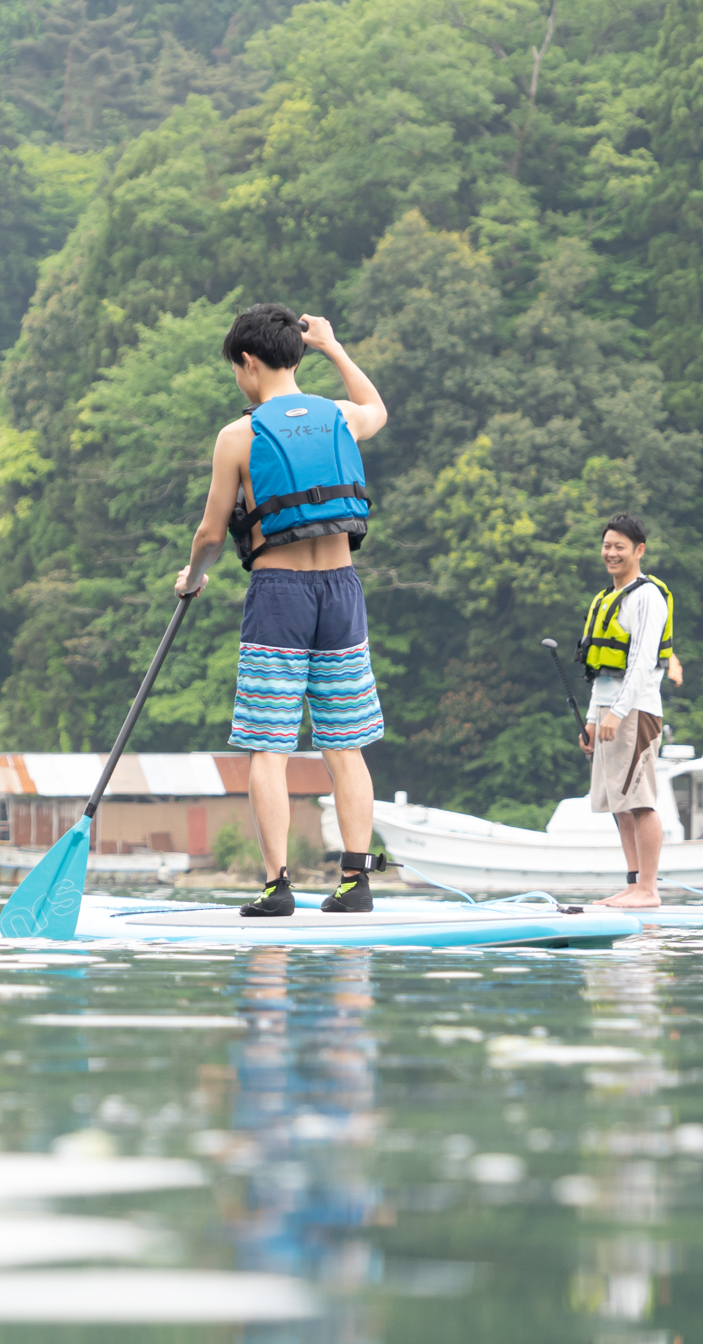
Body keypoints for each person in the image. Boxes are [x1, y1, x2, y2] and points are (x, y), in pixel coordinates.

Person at [174, 304, 390, 917]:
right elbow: (377, 409)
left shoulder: (238, 435)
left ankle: (277, 886)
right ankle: (356, 882)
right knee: (345, 746)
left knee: (269, 747)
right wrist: (335, 347)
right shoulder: (341, 417)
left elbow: (211, 533)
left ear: (247, 362)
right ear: (297, 353)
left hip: (280, 596)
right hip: (342, 592)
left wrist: (193, 578)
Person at [575, 514, 674, 908]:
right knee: (620, 804)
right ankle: (634, 883)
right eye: (607, 546)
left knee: (639, 798)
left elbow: (642, 661)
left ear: (639, 550)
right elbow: (604, 671)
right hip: (611, 712)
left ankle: (649, 889)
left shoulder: (646, 596)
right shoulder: (606, 598)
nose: (611, 553)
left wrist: (616, 712)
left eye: (619, 546)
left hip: (638, 712)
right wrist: (593, 718)